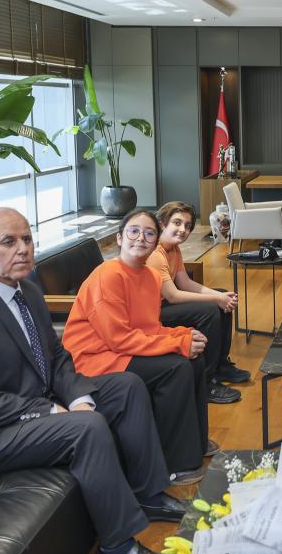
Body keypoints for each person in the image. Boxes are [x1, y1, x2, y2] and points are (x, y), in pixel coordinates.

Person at [0, 208, 187, 554]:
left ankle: (149, 494)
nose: (23, 249)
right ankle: (118, 553)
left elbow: (57, 356)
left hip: (26, 403)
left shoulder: (26, 290)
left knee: (126, 387)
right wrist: (48, 409)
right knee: (86, 429)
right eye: (8, 241)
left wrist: (77, 397)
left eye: (27, 239)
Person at [62, 209, 213, 487]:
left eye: (149, 233)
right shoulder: (108, 275)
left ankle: (196, 442)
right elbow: (118, 338)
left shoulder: (151, 276)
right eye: (133, 231)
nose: (140, 238)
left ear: (156, 242)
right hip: (96, 358)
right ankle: (177, 462)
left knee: (194, 360)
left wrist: (184, 334)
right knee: (175, 367)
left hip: (123, 349)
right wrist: (178, 343)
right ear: (120, 238)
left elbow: (149, 328)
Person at [148, 201, 249, 404]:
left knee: (222, 297)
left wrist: (220, 296)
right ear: (162, 224)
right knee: (210, 310)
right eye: (177, 223)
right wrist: (215, 299)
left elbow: (185, 282)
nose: (183, 230)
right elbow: (173, 295)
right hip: (152, 313)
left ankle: (220, 365)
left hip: (165, 304)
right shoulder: (155, 255)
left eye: (187, 226)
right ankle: (206, 381)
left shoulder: (173, 249)